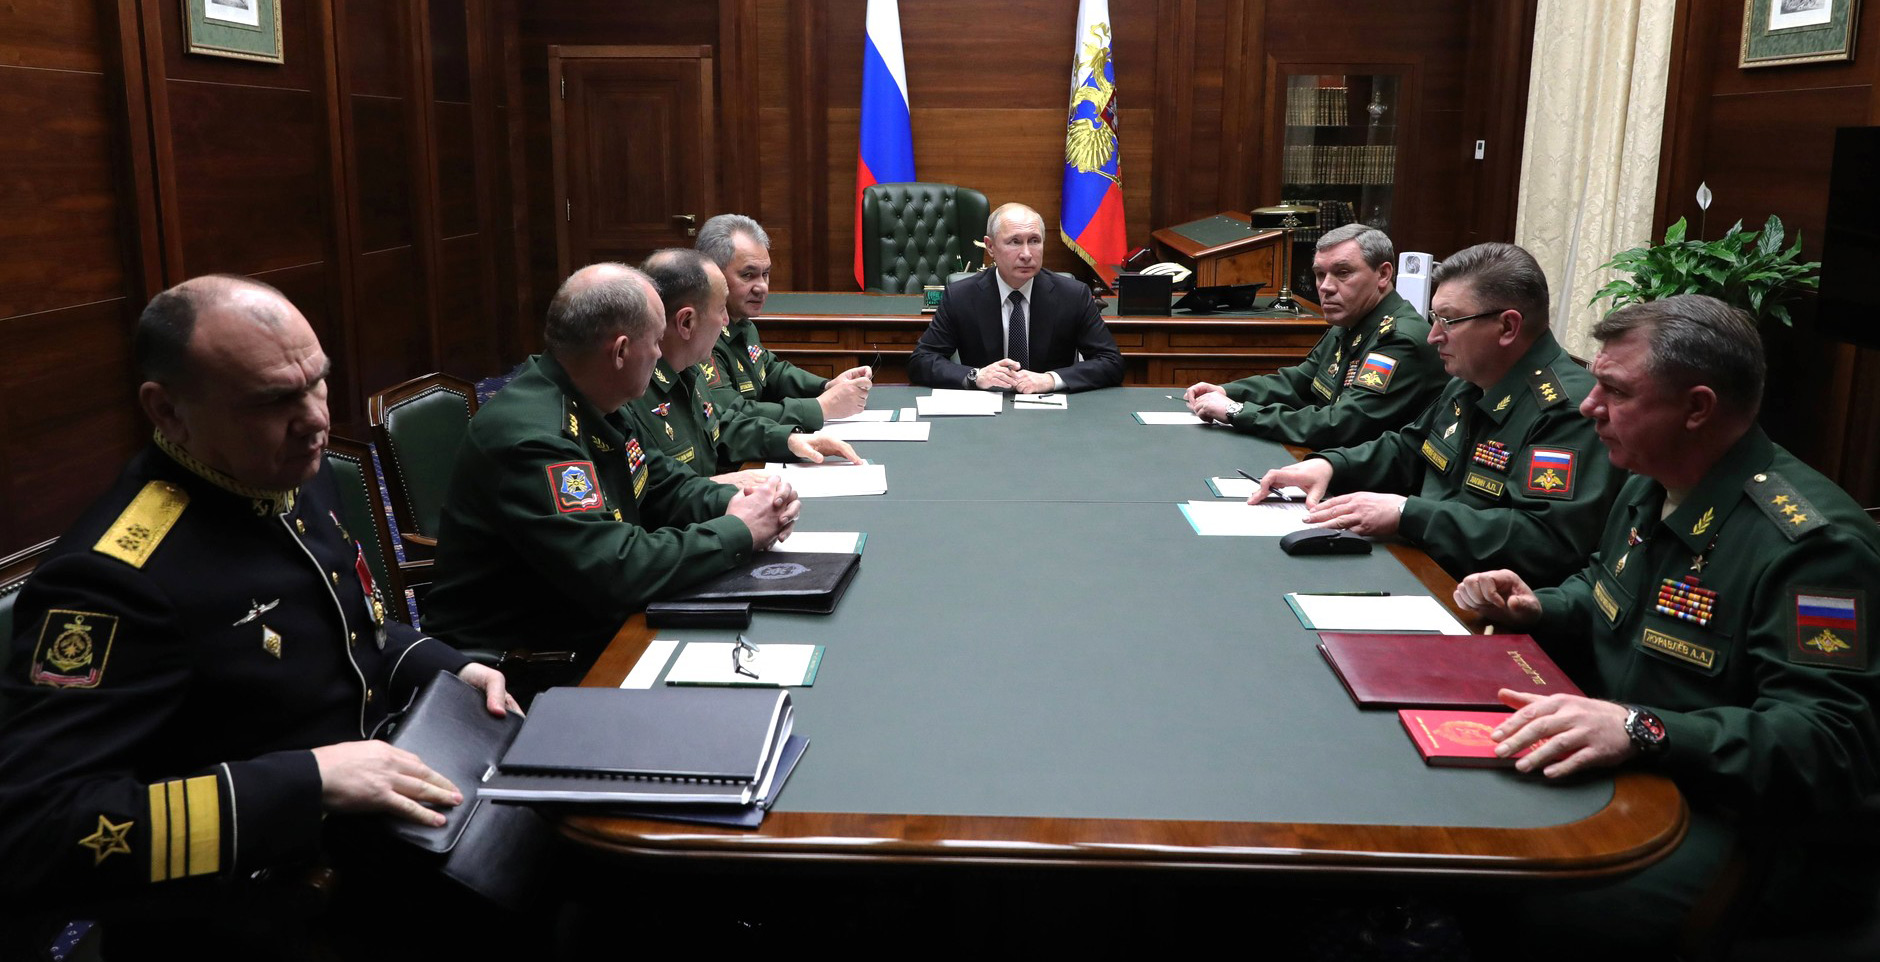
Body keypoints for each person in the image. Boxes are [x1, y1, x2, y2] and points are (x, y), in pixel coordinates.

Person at [0, 275, 515, 944]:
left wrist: (446, 666)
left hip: (381, 833)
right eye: (273, 399)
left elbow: (346, 626)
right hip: (257, 905)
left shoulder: (289, 472)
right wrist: (309, 782)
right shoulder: (111, 580)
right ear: (168, 411)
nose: (316, 419)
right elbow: (37, 827)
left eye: (318, 381)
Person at [1452, 294, 1880, 951]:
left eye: (1616, 391)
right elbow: (1606, 585)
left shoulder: (1813, 547)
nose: (1589, 407)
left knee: (1508, 882)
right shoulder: (1651, 479)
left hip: (1751, 834)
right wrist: (1540, 606)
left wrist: (1643, 729)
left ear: (1697, 408)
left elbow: (1829, 741)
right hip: (1637, 776)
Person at [424, 263, 801, 660]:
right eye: (655, 341)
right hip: (523, 663)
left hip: (588, 622)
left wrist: (748, 503)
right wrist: (738, 531)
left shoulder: (596, 398)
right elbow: (615, 569)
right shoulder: (536, 438)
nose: (660, 353)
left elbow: (659, 483)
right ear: (621, 351)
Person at [1250, 242, 1621, 586]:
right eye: (1434, 317)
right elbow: (1409, 447)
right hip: (1424, 565)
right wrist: (1330, 466)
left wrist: (1406, 513)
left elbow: (1543, 540)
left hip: (1484, 599)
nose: (1433, 335)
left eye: (1449, 320)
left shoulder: (1567, 410)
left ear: (1508, 326)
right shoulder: (1471, 378)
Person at [1184, 223, 1444, 447]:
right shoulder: (1351, 321)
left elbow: (1341, 424)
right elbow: (1299, 382)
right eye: (1320, 274)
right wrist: (1227, 391)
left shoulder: (1399, 340)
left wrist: (1236, 411)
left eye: (1343, 273)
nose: (1326, 287)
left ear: (1383, 274)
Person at [625, 248, 859, 484]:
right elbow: (655, 494)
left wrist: (789, 440)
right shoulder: (632, 392)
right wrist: (722, 487)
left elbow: (721, 428)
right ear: (686, 322)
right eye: (721, 309)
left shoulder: (687, 369)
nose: (726, 320)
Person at [907, 202, 1125, 393]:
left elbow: (1111, 362)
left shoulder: (1073, 295)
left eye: (1034, 241)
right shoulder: (961, 296)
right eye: (1014, 242)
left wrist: (1051, 379)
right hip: (985, 412)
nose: (1027, 254)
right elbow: (922, 361)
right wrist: (976, 376)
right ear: (990, 246)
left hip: (1051, 412)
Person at [696, 214, 873, 429]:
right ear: (713, 274)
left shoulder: (742, 323)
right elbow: (731, 415)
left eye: (765, 274)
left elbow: (770, 372)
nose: (762, 287)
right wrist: (820, 407)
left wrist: (827, 386)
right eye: (748, 275)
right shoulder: (703, 335)